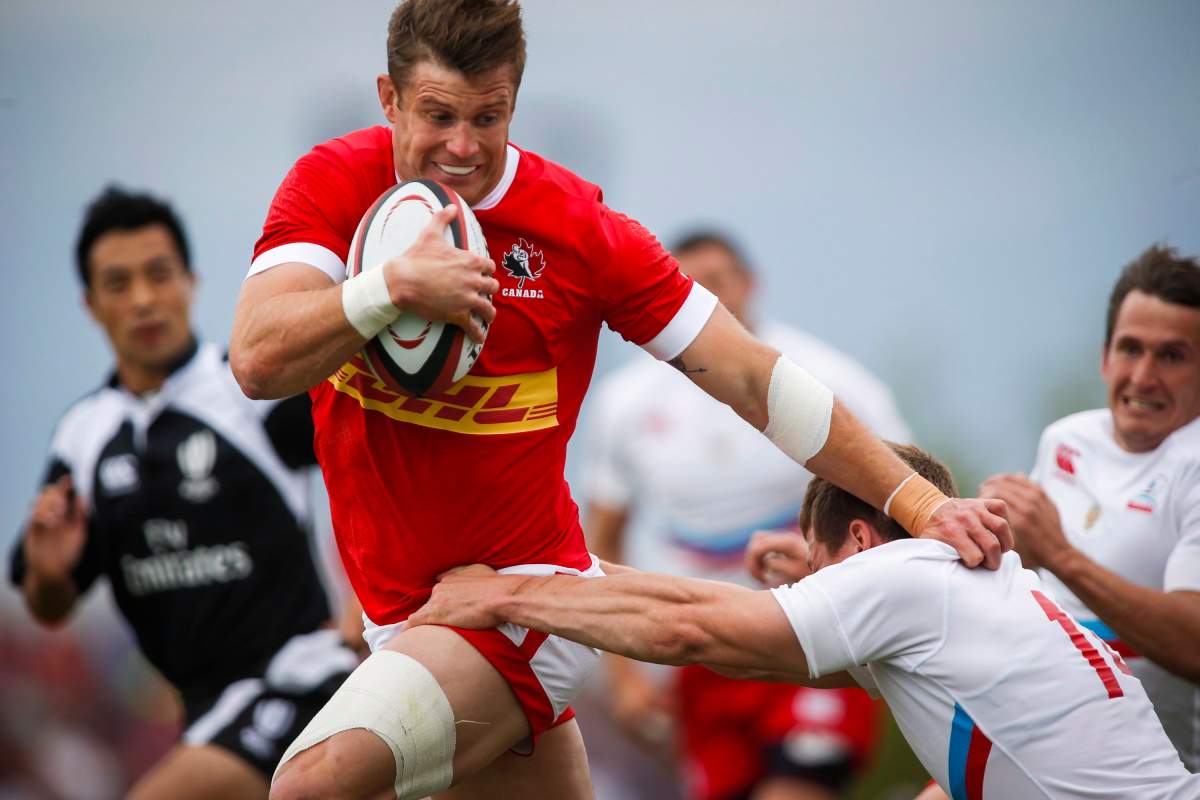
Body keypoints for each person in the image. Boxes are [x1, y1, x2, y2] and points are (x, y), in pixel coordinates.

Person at [229, 2, 1010, 797]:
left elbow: (750, 374)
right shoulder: (336, 184)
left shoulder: (577, 229)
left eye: (488, 116)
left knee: (310, 785)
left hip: (518, 607)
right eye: (437, 116)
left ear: (514, 104)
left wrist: (918, 505)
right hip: (404, 617)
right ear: (388, 100)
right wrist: (389, 287)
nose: (461, 147)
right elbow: (257, 358)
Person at [411, 444, 1200, 800]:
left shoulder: (907, 574)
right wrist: (540, 565)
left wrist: (501, 598)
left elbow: (693, 631)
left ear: (860, 538)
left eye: (822, 570)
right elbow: (748, 641)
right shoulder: (983, 586)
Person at [8, 187, 359, 800]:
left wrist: (367, 608)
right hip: (201, 714)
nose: (143, 299)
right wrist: (48, 572)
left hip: (299, 683)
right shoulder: (84, 438)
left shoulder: (248, 392)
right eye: (119, 283)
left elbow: (376, 465)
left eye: (158, 274)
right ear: (91, 305)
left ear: (191, 282)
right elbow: (49, 605)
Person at [583, 231, 909, 800]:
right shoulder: (627, 401)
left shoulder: (830, 379)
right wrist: (624, 676)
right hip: (703, 651)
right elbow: (601, 537)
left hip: (811, 636)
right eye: (688, 286)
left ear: (751, 282)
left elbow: (906, 495)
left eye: (718, 282)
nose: (706, 300)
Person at [981, 244, 1200, 772]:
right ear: (1104, 357)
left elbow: (1194, 646)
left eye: (1171, 356)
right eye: (1130, 349)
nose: (1143, 377)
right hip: (1045, 746)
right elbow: (1014, 565)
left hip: (1160, 776)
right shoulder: (1067, 438)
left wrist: (1060, 554)